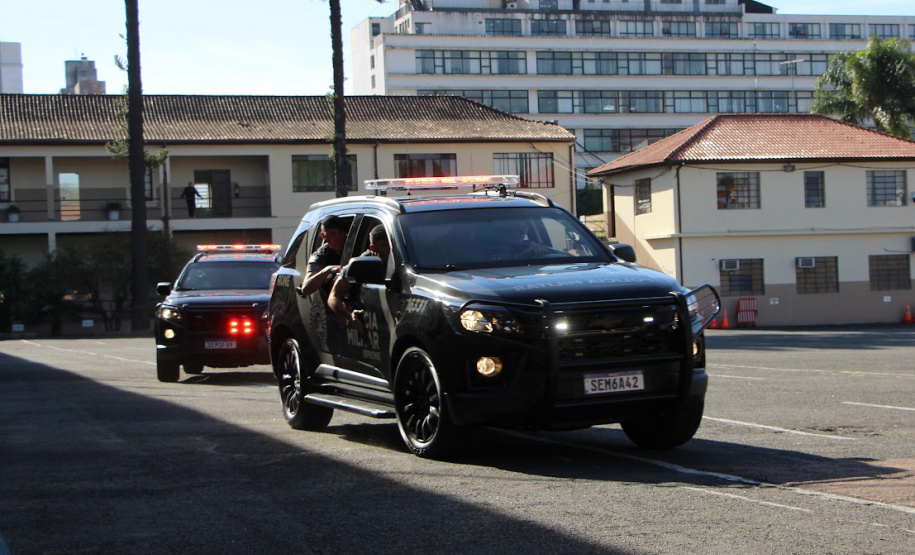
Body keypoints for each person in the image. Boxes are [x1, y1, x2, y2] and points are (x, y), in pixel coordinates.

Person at [328, 225, 390, 333]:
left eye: (391, 245)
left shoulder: (406, 261)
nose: (389, 249)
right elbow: (334, 297)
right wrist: (349, 315)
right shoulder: (363, 263)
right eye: (384, 245)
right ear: (373, 248)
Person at [298, 215, 349, 296]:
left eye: (340, 232)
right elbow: (305, 288)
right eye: (332, 234)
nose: (338, 237)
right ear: (324, 236)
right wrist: (328, 270)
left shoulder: (355, 247)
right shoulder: (321, 255)